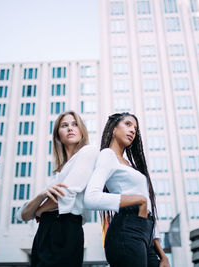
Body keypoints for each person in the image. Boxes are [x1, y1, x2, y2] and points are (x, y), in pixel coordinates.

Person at [84, 112, 170, 267]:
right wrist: (138, 200)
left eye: (135, 129)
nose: (133, 131)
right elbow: (91, 198)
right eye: (128, 124)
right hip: (126, 231)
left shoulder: (129, 165)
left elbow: (148, 207)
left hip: (145, 235)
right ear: (114, 129)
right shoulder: (107, 155)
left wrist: (162, 255)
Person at [16, 111, 98, 267]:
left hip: (66, 229)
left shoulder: (88, 152)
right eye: (64, 125)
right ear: (58, 135)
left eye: (75, 124)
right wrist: (41, 196)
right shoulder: (56, 176)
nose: (70, 128)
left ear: (82, 130)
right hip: (43, 233)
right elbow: (22, 215)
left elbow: (66, 195)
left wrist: (39, 210)